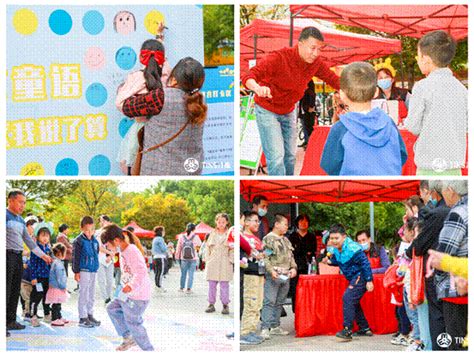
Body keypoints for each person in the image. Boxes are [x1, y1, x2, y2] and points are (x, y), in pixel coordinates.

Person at [242, 26, 340, 175]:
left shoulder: (316, 63)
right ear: (300, 44)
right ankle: (278, 194)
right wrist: (257, 88)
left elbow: (333, 79)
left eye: (319, 49)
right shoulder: (279, 57)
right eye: (312, 48)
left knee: (290, 157)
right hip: (267, 109)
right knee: (276, 157)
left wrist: (356, 91)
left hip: (289, 109)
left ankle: (288, 189)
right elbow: (249, 76)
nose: (316, 53)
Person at [122, 57, 208, 176]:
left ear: (174, 79)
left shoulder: (160, 97)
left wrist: (140, 82)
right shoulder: (201, 101)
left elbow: (126, 107)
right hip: (190, 172)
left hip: (157, 170)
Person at [320, 62, 407, 175]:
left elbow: (330, 166)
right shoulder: (389, 123)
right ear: (376, 92)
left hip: (353, 189)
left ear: (342, 94)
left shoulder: (340, 128)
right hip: (389, 188)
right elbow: (401, 155)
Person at [404, 31, 467, 175]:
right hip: (454, 164)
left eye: (418, 56)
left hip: (429, 163)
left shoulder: (422, 87)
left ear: (426, 59)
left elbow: (413, 126)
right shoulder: (461, 88)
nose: (418, 60)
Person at [115, 25, 170, 175]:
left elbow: (119, 103)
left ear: (141, 57)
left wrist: (138, 106)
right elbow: (162, 63)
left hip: (139, 129)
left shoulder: (135, 78)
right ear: (163, 58)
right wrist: (160, 38)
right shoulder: (166, 76)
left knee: (132, 168)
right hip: (162, 130)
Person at [101, 224, 154, 351]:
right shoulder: (122, 251)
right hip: (126, 292)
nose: (106, 247)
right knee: (111, 308)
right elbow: (126, 272)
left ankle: (148, 349)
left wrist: (131, 285)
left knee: (134, 322)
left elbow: (141, 271)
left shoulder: (131, 251)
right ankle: (128, 337)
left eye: (107, 245)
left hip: (138, 295)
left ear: (116, 241)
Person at [6, 190, 52, 336]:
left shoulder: (20, 220)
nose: (23, 205)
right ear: (10, 200)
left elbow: (30, 243)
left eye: (24, 203)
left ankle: (10, 321)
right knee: (5, 291)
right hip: (6, 256)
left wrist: (44, 255)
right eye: (20, 202)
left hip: (18, 257)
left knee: (14, 290)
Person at [321, 224, 374, 342]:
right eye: (332, 238)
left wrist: (369, 280)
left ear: (344, 237)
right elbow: (338, 261)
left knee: (348, 298)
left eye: (337, 238)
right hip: (353, 278)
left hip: (361, 276)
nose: (334, 241)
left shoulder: (353, 248)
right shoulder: (336, 249)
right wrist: (328, 261)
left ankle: (347, 330)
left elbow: (365, 263)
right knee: (353, 301)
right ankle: (364, 328)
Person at [435, 180, 468, 350]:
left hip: (458, 291)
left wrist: (438, 278)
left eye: (442, 190)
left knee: (457, 343)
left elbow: (443, 255)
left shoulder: (459, 213)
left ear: (450, 189)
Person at [260, 214, 297, 339]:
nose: (287, 227)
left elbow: (291, 256)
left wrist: (294, 268)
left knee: (280, 302)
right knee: (269, 301)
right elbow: (265, 257)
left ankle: (275, 326)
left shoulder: (286, 240)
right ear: (276, 224)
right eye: (285, 224)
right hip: (274, 275)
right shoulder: (268, 239)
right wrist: (270, 271)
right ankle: (265, 327)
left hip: (286, 275)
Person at [240, 211, 266, 345]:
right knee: (251, 302)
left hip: (260, 273)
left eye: (258, 221)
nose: (257, 224)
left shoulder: (257, 238)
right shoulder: (242, 237)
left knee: (257, 304)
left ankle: (252, 330)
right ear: (246, 222)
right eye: (254, 221)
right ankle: (245, 332)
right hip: (250, 274)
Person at [288, 214, 323, 311]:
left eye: (306, 221)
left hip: (308, 266)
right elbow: (291, 252)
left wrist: (303, 251)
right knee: (295, 289)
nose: (303, 223)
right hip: (295, 266)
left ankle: (307, 309)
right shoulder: (292, 236)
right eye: (301, 221)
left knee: (308, 289)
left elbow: (312, 252)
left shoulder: (311, 236)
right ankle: (296, 310)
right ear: (297, 223)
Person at [72, 216, 100, 328]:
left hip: (93, 270)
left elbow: (96, 253)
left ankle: (89, 314)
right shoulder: (79, 241)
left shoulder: (95, 241)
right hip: (84, 270)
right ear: (82, 228)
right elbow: (75, 257)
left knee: (91, 293)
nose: (89, 232)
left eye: (92, 230)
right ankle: (82, 317)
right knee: (83, 293)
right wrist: (76, 271)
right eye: (87, 230)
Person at [205, 213, 233, 315]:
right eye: (219, 222)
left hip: (225, 261)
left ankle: (225, 305)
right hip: (213, 261)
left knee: (224, 285)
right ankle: (211, 304)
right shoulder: (212, 233)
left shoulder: (230, 234)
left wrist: (231, 260)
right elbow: (207, 248)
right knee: (212, 284)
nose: (221, 224)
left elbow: (232, 248)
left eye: (223, 222)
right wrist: (207, 260)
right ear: (216, 222)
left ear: (227, 223)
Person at [28, 222, 54, 327]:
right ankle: (33, 316)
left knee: (46, 296)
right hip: (38, 277)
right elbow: (32, 264)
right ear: (38, 236)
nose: (45, 238)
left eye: (47, 236)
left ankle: (47, 314)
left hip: (47, 277)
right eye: (43, 235)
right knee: (36, 296)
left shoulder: (48, 248)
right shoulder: (35, 249)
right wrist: (33, 277)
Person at [373, 58, 411, 123]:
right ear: (377, 81)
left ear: (392, 79)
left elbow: (415, 110)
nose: (383, 80)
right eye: (380, 78)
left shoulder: (404, 94)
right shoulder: (373, 97)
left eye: (386, 77)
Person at [45, 243, 69, 326]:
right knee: (56, 304)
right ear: (60, 253)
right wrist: (63, 286)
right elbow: (59, 277)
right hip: (57, 287)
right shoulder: (58, 264)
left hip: (56, 286)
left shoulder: (56, 262)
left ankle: (59, 317)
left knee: (58, 303)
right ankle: (55, 319)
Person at [175, 223, 202, 293]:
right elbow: (199, 246)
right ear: (194, 229)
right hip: (193, 258)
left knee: (183, 273)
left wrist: (177, 257)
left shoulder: (181, 237)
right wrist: (196, 250)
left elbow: (178, 248)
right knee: (191, 274)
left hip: (183, 258)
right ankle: (189, 289)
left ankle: (181, 288)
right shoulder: (196, 237)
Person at [96, 215, 115, 305]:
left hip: (110, 260)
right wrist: (109, 252)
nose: (102, 222)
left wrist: (110, 256)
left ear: (108, 221)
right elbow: (98, 247)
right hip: (100, 258)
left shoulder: (113, 232)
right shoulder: (97, 233)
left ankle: (109, 296)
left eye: (103, 220)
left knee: (110, 280)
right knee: (101, 279)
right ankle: (105, 298)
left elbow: (116, 246)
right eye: (100, 221)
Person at [298, 80, 317, 148]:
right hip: (303, 112)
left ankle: (310, 143)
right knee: (304, 127)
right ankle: (306, 141)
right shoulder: (304, 92)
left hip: (308, 112)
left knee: (308, 127)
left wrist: (310, 107)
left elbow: (312, 102)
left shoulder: (310, 92)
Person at [151, 226, 168, 292]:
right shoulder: (160, 239)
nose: (164, 232)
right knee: (161, 272)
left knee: (157, 272)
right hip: (160, 257)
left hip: (155, 257)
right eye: (163, 231)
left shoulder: (155, 239)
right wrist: (167, 246)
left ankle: (156, 285)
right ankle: (159, 286)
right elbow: (163, 249)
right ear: (161, 232)